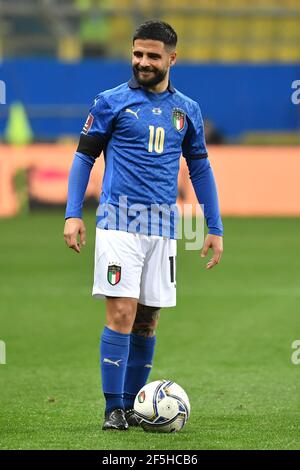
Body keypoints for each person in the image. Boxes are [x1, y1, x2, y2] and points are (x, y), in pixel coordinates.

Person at [64, 20, 223, 431]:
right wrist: (72, 213)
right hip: (119, 223)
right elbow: (84, 158)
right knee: (121, 311)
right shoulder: (110, 102)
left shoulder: (186, 110)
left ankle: (135, 406)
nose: (143, 62)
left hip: (164, 229)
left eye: (153, 56)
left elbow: (200, 167)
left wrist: (214, 226)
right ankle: (113, 408)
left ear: (172, 58)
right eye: (138, 54)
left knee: (148, 319)